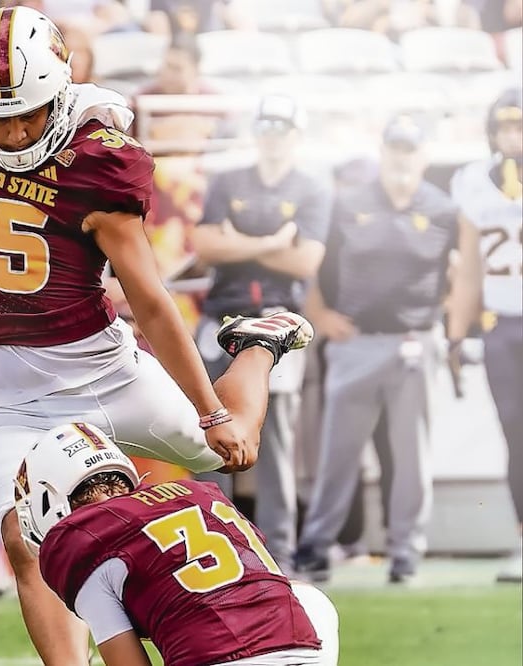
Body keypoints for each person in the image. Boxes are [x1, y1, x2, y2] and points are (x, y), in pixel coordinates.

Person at [0, 8, 314, 664]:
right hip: (8, 398)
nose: (11, 133)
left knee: (228, 450)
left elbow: (149, 300)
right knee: (25, 541)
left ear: (58, 95)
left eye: (27, 116)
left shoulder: (98, 163)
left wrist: (210, 410)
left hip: (104, 372)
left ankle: (258, 343)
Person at [295, 114, 480, 584]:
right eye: (395, 148)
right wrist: (320, 316)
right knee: (337, 455)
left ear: (424, 155)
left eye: (409, 149)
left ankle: (405, 555)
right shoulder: (349, 202)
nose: (402, 157)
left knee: (411, 457)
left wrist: (451, 331)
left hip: (414, 340)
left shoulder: (442, 208)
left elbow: (463, 273)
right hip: (355, 340)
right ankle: (316, 547)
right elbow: (315, 264)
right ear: (382, 152)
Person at [16, 422, 339, 666]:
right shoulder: (198, 493)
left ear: (49, 499)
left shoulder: (86, 540)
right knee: (305, 594)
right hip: (305, 650)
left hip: (224, 658)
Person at [190, 95, 332, 569]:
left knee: (276, 441)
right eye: (266, 126)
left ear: (296, 134)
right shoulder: (229, 180)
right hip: (224, 319)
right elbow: (206, 246)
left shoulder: (311, 187)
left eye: (281, 127)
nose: (273, 136)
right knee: (209, 434)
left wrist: (238, 243)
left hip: (277, 324)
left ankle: (279, 554)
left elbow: (305, 260)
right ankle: (215, 546)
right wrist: (271, 242)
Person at [449, 86, 523, 583]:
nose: (512, 136)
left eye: (519, 126)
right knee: (516, 435)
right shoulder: (475, 182)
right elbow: (469, 268)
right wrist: (457, 333)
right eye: (505, 126)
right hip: (502, 326)